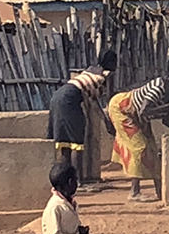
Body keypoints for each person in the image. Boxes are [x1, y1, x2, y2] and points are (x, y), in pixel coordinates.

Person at [107, 47, 169, 202]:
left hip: (138, 114)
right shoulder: (158, 88)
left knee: (152, 149)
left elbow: (166, 120)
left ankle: (159, 191)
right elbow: (144, 111)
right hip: (122, 108)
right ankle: (134, 192)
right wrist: (167, 106)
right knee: (139, 147)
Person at [46, 51, 117, 185]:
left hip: (56, 98)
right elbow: (94, 102)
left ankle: (64, 180)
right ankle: (78, 181)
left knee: (64, 142)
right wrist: (106, 121)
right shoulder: (101, 78)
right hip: (69, 100)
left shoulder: (90, 69)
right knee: (77, 143)